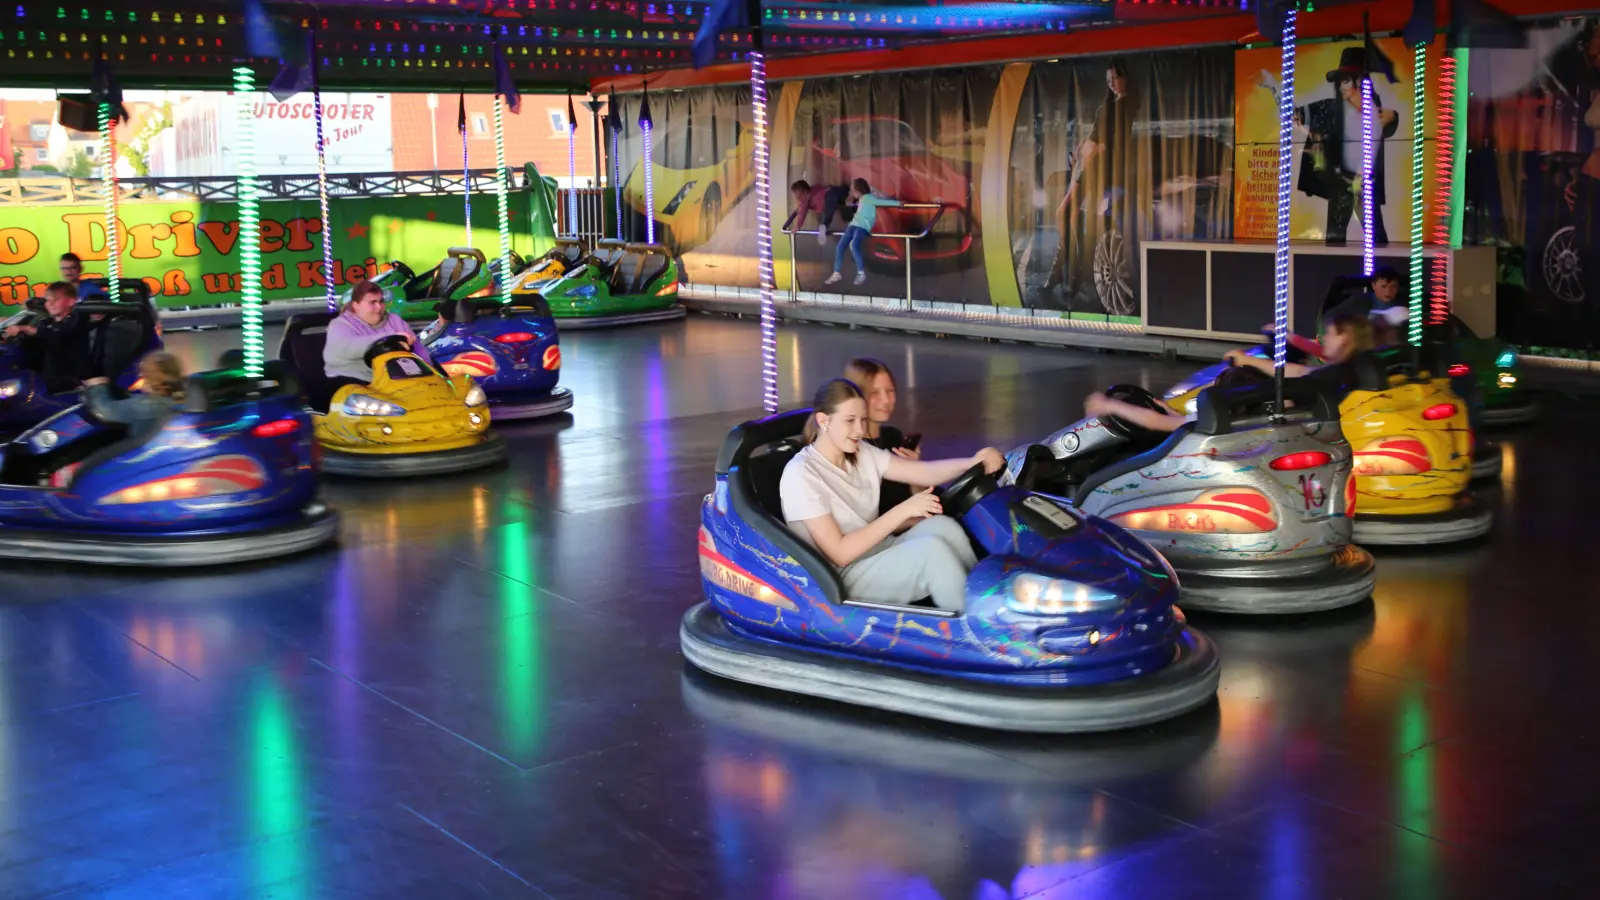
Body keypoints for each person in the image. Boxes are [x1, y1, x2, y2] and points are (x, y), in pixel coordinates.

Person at [780, 379, 1005, 612]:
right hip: (839, 580)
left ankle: (984, 603)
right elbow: (840, 554)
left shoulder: (860, 452)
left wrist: (972, 462)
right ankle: (978, 629)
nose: (860, 430)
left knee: (943, 527)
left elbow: (923, 472)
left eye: (863, 419)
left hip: (876, 551)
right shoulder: (801, 474)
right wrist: (905, 510)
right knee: (932, 553)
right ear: (823, 421)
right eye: (850, 421)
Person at [1085, 306, 1376, 433]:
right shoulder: (1349, 370)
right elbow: (1297, 372)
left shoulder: (1232, 425)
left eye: (1331, 334)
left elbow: (1158, 425)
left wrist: (1108, 404)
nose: (1325, 339)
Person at [1045, 57, 1136, 299]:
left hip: (1098, 167)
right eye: (1108, 80)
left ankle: (1067, 272)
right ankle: (1067, 272)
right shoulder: (1111, 104)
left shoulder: (1127, 106)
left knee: (1064, 214)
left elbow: (1115, 142)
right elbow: (1097, 135)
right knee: (1070, 216)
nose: (1112, 84)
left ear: (1126, 77)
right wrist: (1080, 148)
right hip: (1088, 165)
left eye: (1115, 78)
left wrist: (1092, 152)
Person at [1295, 46, 1401, 245]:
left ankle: (1382, 274)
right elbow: (1300, 114)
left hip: (1365, 185)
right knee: (1335, 239)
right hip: (1341, 184)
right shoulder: (1331, 108)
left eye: (1345, 80)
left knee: (1377, 239)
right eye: (1340, 81)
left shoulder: (1374, 110)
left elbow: (1387, 126)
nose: (1341, 86)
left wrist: (1393, 117)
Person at [843, 357, 921, 516]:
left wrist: (915, 471)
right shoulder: (849, 448)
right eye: (874, 393)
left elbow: (920, 498)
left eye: (890, 391)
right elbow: (864, 520)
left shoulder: (893, 437)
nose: (886, 400)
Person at [1, 281, 93, 392]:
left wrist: (26, 329)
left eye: (56, 299)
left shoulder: (77, 320)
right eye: (48, 300)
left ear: (71, 301)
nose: (50, 303)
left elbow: (58, 335)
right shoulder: (47, 322)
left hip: (72, 382)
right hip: (48, 377)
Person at [81, 351, 186, 440]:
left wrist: (97, 386)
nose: (140, 375)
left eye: (144, 372)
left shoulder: (149, 405)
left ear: (154, 378)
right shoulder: (180, 398)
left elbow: (105, 410)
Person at [825, 178, 902, 287]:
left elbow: (883, 202)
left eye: (853, 190)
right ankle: (836, 272)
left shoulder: (869, 198)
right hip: (853, 225)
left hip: (862, 227)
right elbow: (855, 205)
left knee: (854, 245)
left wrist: (898, 203)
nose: (852, 192)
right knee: (840, 246)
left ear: (858, 190)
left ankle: (860, 272)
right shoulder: (862, 199)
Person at [786, 179, 853, 245]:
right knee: (844, 199)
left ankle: (823, 226)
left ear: (805, 192)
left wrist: (797, 227)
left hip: (830, 196)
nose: (798, 199)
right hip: (834, 191)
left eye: (798, 196)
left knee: (827, 214)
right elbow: (802, 208)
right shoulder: (813, 189)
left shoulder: (805, 201)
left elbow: (802, 212)